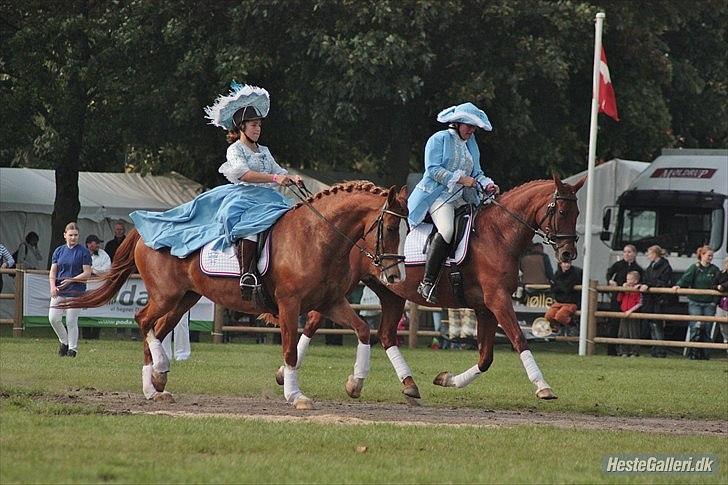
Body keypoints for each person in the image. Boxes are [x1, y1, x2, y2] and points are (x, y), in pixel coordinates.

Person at [130, 82, 299, 294]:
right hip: (244, 196)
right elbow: (243, 173)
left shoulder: (264, 150)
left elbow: (278, 170)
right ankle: (247, 273)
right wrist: (275, 178)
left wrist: (290, 176)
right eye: (253, 125)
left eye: (259, 125)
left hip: (270, 197)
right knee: (251, 225)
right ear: (242, 128)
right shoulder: (235, 150)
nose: (258, 129)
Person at [407, 102, 499, 303]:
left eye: (474, 127)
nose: (472, 130)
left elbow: (477, 173)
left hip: (462, 198)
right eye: (469, 126)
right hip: (437, 196)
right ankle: (427, 282)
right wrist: (461, 179)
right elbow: (432, 170)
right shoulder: (438, 139)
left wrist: (487, 184)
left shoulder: (471, 143)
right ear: (457, 124)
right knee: (447, 230)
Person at [48, 222, 92, 357]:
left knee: (71, 321)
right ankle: (64, 341)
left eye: (76, 235)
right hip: (60, 290)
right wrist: (53, 286)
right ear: (65, 235)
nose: (73, 238)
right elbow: (53, 271)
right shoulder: (59, 251)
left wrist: (71, 280)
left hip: (75, 290)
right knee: (53, 318)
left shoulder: (83, 252)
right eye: (71, 235)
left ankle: (72, 349)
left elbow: (87, 273)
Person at [674, 245, 720, 359]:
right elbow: (686, 278)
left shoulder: (714, 269)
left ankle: (705, 354)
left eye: (711, 256)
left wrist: (715, 301)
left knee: (707, 327)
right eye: (708, 255)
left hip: (709, 303)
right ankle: (693, 353)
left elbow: (719, 282)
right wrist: (678, 285)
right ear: (702, 255)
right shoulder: (694, 267)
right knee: (695, 326)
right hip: (695, 301)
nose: (710, 258)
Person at [605, 245, 643, 356]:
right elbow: (609, 274)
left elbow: (643, 281)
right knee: (615, 324)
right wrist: (610, 282)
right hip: (618, 299)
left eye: (629, 252)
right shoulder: (617, 265)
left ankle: (631, 350)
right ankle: (612, 350)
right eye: (625, 252)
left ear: (634, 254)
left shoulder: (638, 269)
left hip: (631, 301)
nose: (626, 254)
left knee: (631, 328)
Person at [637, 245, 673, 358]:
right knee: (652, 325)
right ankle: (655, 348)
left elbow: (663, 282)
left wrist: (649, 285)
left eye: (649, 253)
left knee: (657, 325)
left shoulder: (665, 266)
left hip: (659, 299)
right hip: (650, 299)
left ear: (655, 254)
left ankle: (660, 349)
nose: (647, 255)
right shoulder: (651, 266)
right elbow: (647, 279)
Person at [545, 260, 583, 329]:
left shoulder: (575, 273)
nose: (567, 265)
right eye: (565, 263)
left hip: (571, 302)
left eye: (568, 263)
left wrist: (558, 286)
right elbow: (553, 288)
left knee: (560, 316)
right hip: (559, 302)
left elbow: (566, 288)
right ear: (560, 264)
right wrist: (559, 286)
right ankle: (560, 327)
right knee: (549, 316)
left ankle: (573, 325)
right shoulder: (557, 273)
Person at [617, 271, 643, 357]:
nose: (627, 281)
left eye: (630, 279)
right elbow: (619, 299)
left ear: (635, 281)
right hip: (624, 312)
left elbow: (639, 303)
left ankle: (634, 352)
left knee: (633, 332)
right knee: (623, 332)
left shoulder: (638, 290)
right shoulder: (625, 289)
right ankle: (623, 351)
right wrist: (622, 290)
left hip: (633, 313)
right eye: (627, 279)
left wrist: (630, 311)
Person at [713, 258, 728, 355]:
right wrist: (718, 287)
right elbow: (713, 284)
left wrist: (722, 286)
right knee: (722, 325)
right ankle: (726, 344)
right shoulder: (720, 273)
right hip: (722, 304)